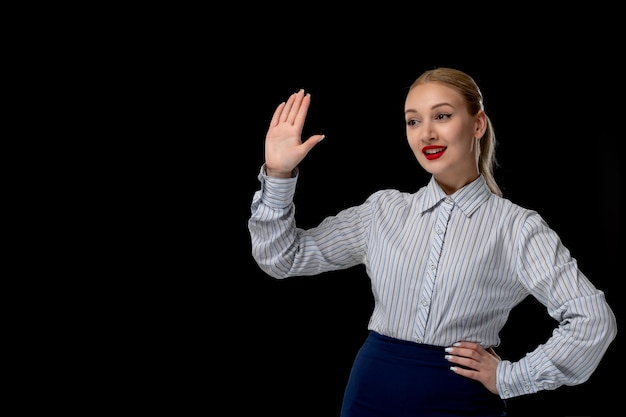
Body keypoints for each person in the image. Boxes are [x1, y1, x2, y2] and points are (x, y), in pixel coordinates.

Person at [247, 67, 617, 417]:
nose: (426, 134)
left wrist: (511, 378)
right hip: (370, 393)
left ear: (477, 124)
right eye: (413, 120)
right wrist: (279, 174)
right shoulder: (382, 211)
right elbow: (283, 259)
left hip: (460, 401)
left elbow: (592, 320)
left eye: (442, 116)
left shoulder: (517, 227)